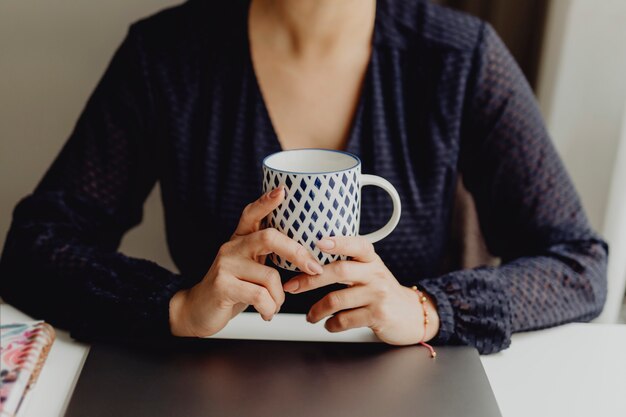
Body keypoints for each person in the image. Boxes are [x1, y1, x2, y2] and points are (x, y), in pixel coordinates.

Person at [0, 0, 608, 354]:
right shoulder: (164, 57)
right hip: (209, 382)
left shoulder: (458, 58)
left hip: (406, 385)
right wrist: (175, 305)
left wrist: (427, 309)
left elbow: (578, 264)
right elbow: (35, 247)